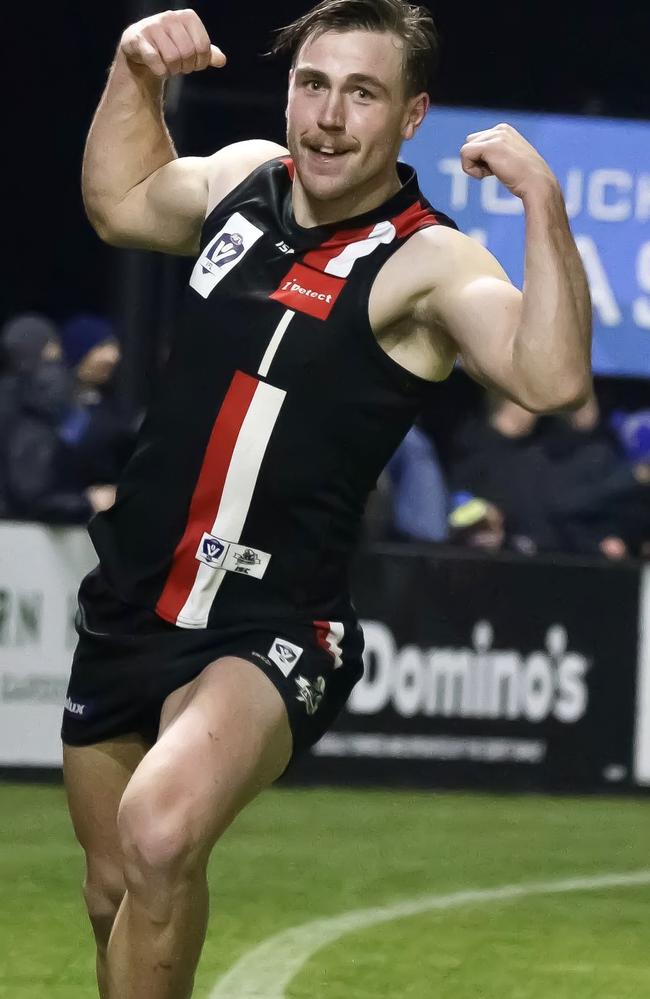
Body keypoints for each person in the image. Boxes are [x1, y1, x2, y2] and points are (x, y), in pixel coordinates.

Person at [61, 3, 592, 997]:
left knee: (160, 830)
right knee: (110, 892)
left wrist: (539, 200)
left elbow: (551, 377)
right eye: (313, 85)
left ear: (410, 116)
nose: (329, 117)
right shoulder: (242, 180)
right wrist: (133, 69)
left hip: (273, 624)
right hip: (129, 601)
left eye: (363, 93)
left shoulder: (425, 260)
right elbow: (121, 201)